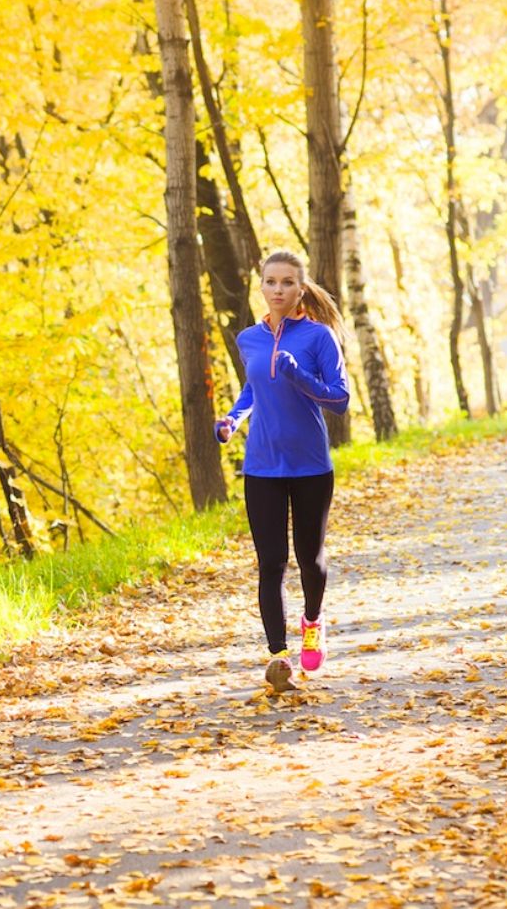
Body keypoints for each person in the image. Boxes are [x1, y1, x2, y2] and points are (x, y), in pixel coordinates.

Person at [215, 250, 350, 691]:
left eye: (287, 283)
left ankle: (313, 622)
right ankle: (279, 658)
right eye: (271, 282)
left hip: (311, 465)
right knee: (270, 562)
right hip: (262, 467)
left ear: (300, 288)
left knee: (309, 559)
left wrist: (300, 378)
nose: (278, 290)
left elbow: (340, 399)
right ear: (261, 286)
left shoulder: (319, 338)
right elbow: (254, 388)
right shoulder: (248, 339)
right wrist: (233, 420)